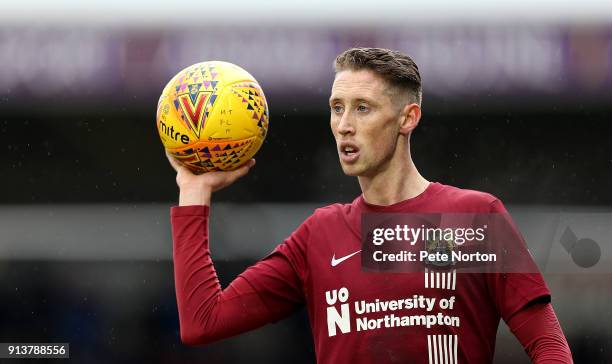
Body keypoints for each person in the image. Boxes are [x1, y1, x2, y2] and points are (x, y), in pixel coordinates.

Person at [167, 47, 573, 363]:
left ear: (407, 118)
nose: (344, 124)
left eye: (363, 108)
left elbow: (549, 346)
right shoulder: (319, 236)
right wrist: (194, 192)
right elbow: (203, 323)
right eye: (336, 108)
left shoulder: (472, 217)